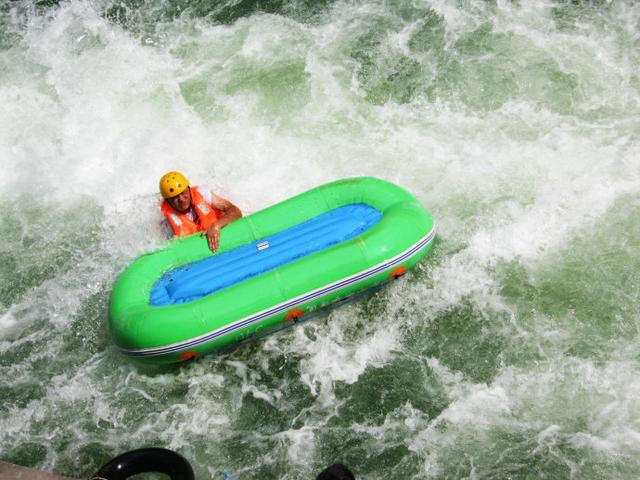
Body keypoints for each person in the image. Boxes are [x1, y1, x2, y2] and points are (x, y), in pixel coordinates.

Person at [159, 171, 242, 252]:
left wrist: (216, 226)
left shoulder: (202, 194)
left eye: (183, 192)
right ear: (168, 201)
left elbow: (235, 211)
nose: (181, 199)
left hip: (221, 237)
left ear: (188, 188)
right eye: (174, 197)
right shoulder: (163, 217)